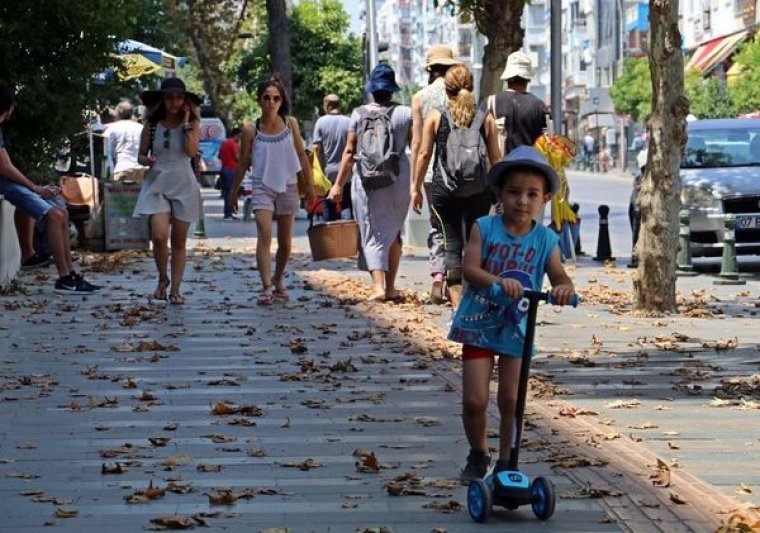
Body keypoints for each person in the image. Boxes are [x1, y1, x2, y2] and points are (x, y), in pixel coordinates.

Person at [448, 145, 574, 483]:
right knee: (475, 400)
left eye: (532, 194)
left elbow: (559, 275)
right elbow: (471, 269)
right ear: (499, 193)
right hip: (478, 324)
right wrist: (498, 282)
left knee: (511, 399)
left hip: (516, 330)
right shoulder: (484, 228)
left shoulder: (546, 239)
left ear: (545, 198)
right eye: (514, 192)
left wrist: (564, 289)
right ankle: (479, 452)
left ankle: (506, 460)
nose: (522, 201)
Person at [412, 63, 502, 309]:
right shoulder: (486, 118)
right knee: (476, 244)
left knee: (452, 246)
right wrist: (500, 193)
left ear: (447, 90)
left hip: (445, 192)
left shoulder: (436, 116)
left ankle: (457, 306)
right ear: (471, 87)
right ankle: (476, 299)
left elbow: (423, 155)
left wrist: (415, 188)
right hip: (480, 192)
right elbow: (496, 159)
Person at [0, 80, 100, 292]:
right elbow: (5, 168)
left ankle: (69, 272)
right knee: (55, 215)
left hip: (7, 183)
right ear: (9, 108)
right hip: (5, 184)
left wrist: (34, 187)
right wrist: (35, 188)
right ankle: (63, 277)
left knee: (61, 211)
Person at [328, 63, 412, 301]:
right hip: (398, 177)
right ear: (392, 90)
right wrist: (416, 185)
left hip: (366, 179)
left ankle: (378, 287)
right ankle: (392, 286)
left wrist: (337, 184)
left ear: (372, 90)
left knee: (372, 229)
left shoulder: (358, 114)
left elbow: (349, 151)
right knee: (394, 231)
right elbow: (416, 146)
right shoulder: (406, 114)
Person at [230, 76, 315, 305]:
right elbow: (242, 163)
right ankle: (266, 286)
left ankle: (278, 279)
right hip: (261, 185)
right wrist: (233, 193)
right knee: (264, 234)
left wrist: (311, 188)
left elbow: (301, 155)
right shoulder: (251, 129)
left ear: (281, 101)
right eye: (266, 97)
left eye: (276, 98)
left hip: (288, 185)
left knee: (286, 242)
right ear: (259, 100)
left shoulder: (290, 124)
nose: (271, 102)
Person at [134, 77, 202, 305]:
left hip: (183, 180)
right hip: (158, 180)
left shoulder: (191, 124)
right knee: (160, 235)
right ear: (162, 100)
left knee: (179, 240)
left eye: (179, 97)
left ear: (185, 101)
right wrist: (147, 160)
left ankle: (175, 289)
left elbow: (191, 153)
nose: (174, 102)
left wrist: (186, 123)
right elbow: (140, 155)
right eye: (170, 97)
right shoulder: (151, 126)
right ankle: (162, 279)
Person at [410, 44, 461, 305]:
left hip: (433, 175)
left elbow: (419, 145)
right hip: (463, 172)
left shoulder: (420, 97)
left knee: (438, 226)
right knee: (460, 226)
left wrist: (414, 185)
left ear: (430, 69)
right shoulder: (463, 93)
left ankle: (438, 277)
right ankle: (458, 281)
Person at [489, 52, 548, 155]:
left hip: (501, 168)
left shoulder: (491, 103)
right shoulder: (539, 106)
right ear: (528, 79)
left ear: (507, 77)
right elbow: (547, 144)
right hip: (531, 167)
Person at [312, 94, 351, 220]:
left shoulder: (321, 122)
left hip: (327, 174)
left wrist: (314, 171)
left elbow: (316, 149)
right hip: (346, 174)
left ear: (327, 105)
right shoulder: (349, 122)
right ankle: (347, 235)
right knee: (347, 205)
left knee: (328, 207)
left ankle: (331, 237)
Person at [105, 100, 145, 181]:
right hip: (142, 170)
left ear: (118, 113)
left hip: (123, 168)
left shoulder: (112, 128)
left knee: (120, 193)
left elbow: (109, 154)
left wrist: (112, 174)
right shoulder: (141, 128)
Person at [218, 126, 241, 221]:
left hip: (224, 168)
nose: (241, 137)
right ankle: (228, 214)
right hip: (231, 169)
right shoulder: (233, 144)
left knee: (227, 192)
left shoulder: (224, 143)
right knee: (231, 192)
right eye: (240, 135)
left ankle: (229, 213)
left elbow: (219, 155)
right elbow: (237, 157)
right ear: (236, 134)